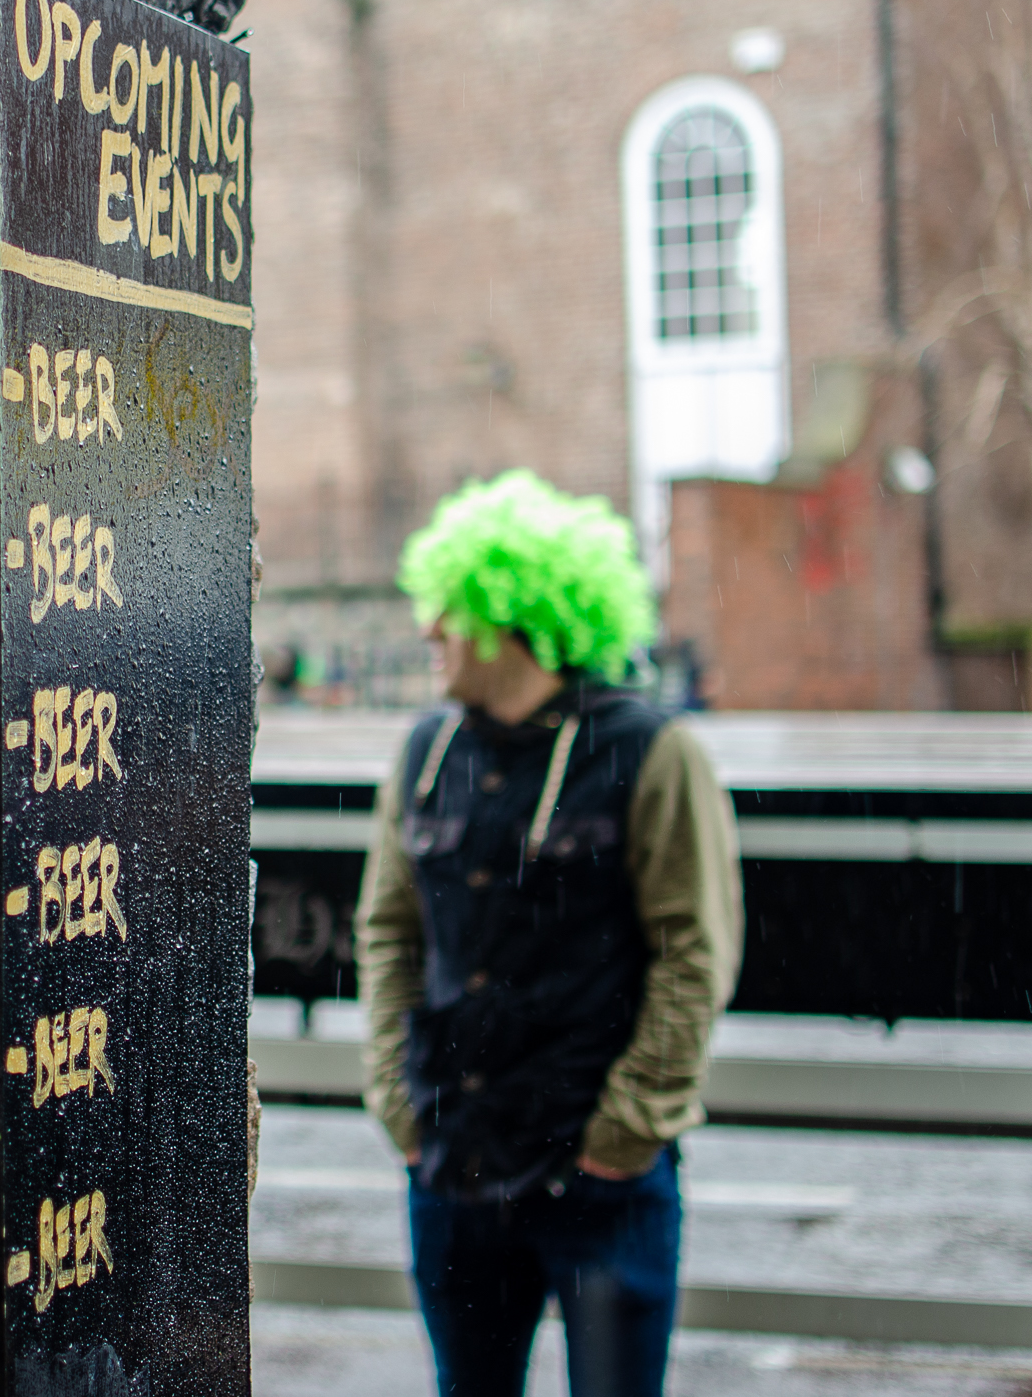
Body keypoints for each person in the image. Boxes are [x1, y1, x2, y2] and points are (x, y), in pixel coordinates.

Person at [356, 470, 743, 1397]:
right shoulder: (424, 752)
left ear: (510, 615)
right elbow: (387, 931)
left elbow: (698, 948)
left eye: (448, 609)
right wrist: (399, 1103)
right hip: (454, 1167)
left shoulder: (652, 751)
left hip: (600, 1182)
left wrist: (626, 1131)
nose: (428, 631)